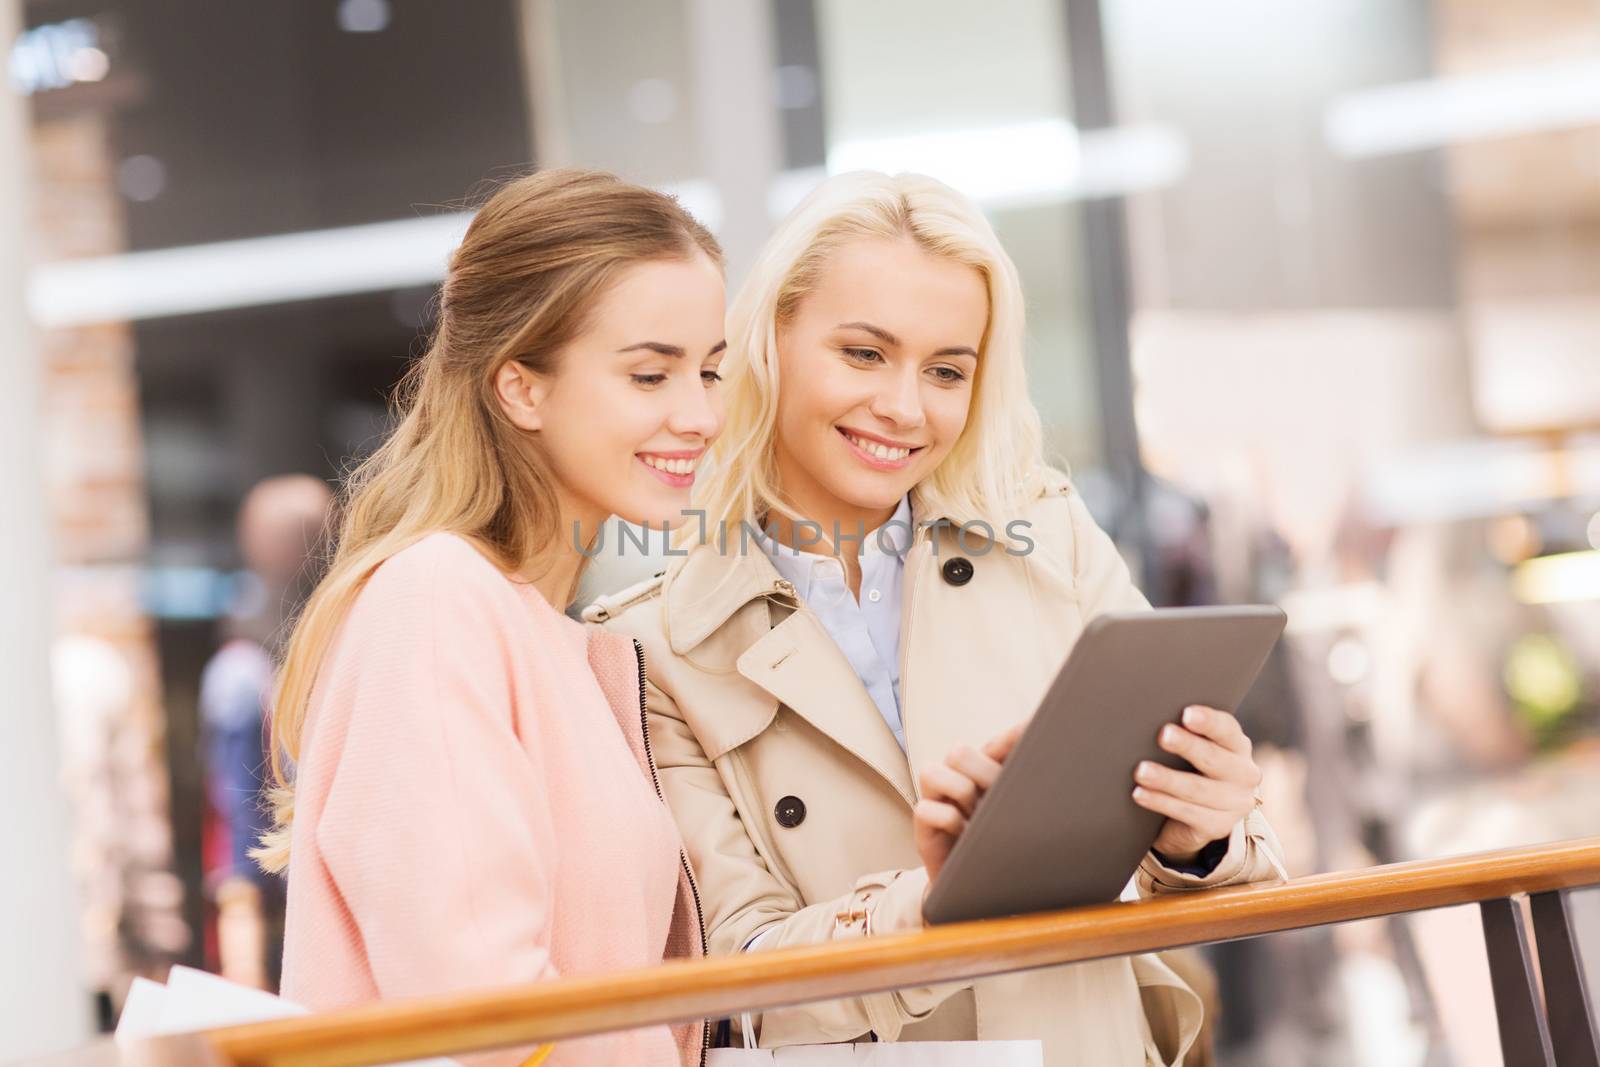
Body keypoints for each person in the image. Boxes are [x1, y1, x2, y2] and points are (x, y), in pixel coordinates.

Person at [587, 171, 1286, 1066]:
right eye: (864, 354)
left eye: (947, 370)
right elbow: (735, 974)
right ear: (770, 342)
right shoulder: (657, 642)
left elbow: (1232, 860)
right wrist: (933, 903)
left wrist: (1202, 832)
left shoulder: (1051, 544)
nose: (906, 408)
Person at [254, 169, 727, 1066]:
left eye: (710, 370)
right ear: (521, 388)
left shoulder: (545, 627)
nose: (699, 414)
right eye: (650, 373)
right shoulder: (437, 600)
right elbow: (487, 1012)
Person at [200, 473, 331, 990]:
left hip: (300, 918)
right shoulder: (250, 672)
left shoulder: (326, 645)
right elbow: (239, 832)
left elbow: (235, 831)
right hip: (289, 919)